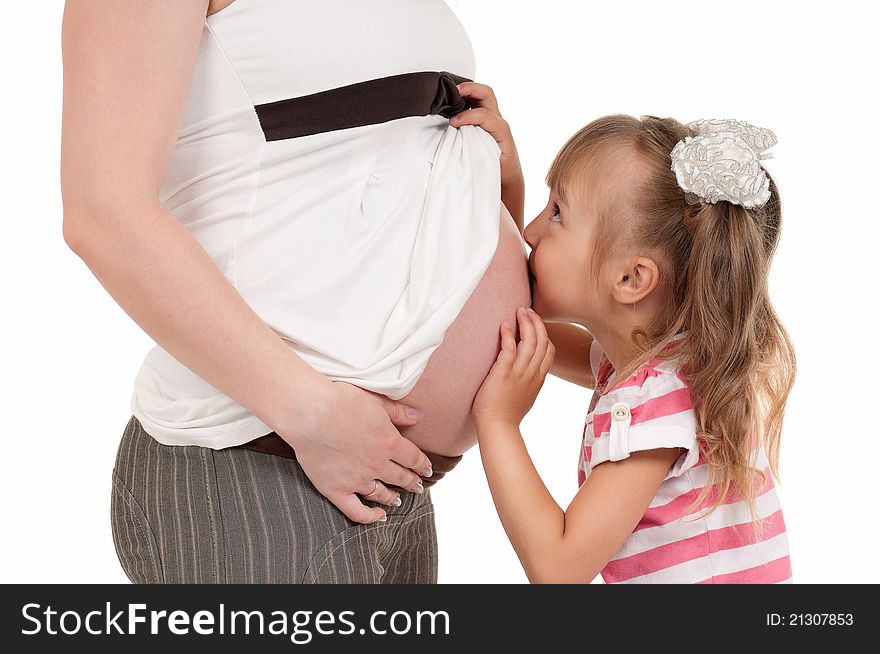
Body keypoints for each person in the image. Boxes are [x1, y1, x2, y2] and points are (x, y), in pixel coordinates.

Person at [60, 0, 529, 583]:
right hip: (261, 460)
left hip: (379, 475)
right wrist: (314, 416)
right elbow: (103, 212)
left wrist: (497, 172)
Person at [463, 107, 796, 583]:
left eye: (557, 213)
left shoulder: (655, 408)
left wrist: (498, 422)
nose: (532, 232)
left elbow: (557, 567)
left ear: (630, 279)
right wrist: (507, 185)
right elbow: (519, 315)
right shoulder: (664, 360)